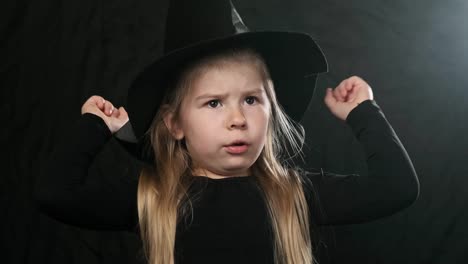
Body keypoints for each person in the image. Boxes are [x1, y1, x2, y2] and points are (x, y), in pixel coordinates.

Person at [35, 1, 420, 264]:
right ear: (175, 124)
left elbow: (397, 188)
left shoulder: (293, 195)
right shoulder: (155, 200)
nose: (237, 118)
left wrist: (364, 113)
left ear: (273, 111)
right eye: (214, 103)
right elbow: (56, 195)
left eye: (252, 100)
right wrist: (95, 126)